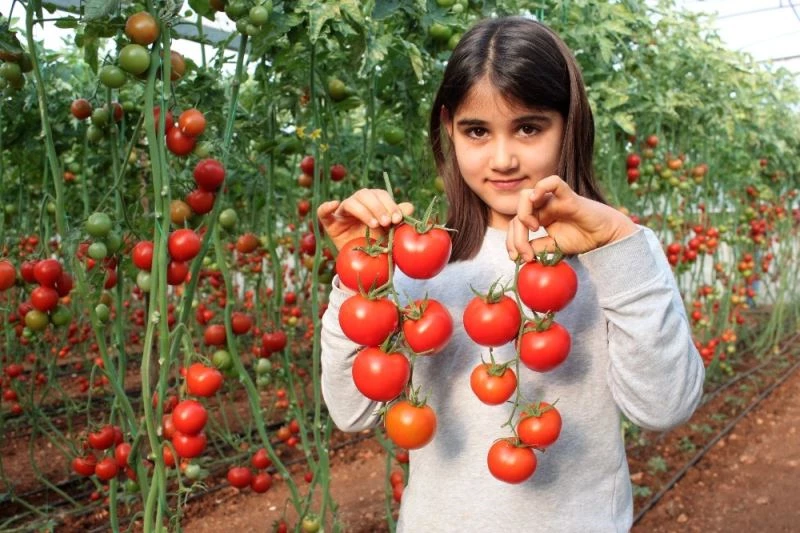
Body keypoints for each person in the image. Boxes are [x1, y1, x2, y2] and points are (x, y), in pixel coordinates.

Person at [317, 16, 705, 532]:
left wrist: (620, 246)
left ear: (570, 124)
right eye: (477, 131)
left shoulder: (617, 255)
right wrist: (357, 275)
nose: (502, 159)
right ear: (449, 128)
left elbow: (665, 407)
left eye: (528, 127)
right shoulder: (417, 265)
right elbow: (353, 412)